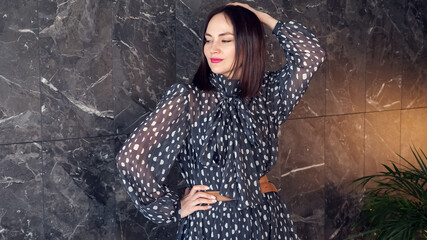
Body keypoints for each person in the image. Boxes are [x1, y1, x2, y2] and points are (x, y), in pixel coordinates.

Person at [116, 2, 325, 239]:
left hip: (266, 218)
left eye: (225, 40)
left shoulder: (268, 93)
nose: (212, 48)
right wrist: (172, 207)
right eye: (208, 39)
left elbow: (311, 55)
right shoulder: (187, 98)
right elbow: (130, 157)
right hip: (210, 223)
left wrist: (260, 17)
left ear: (249, 44)